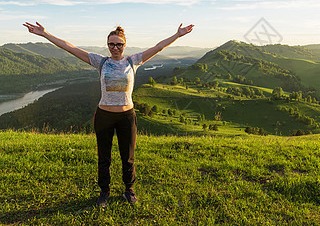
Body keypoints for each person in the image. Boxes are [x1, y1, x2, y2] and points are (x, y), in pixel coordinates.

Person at [23, 21, 194, 207]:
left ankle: (129, 190)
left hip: (127, 116)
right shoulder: (100, 61)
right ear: (107, 45)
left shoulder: (133, 61)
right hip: (104, 115)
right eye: (111, 44)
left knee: (127, 156)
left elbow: (158, 47)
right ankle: (104, 192)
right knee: (104, 157)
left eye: (119, 44)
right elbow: (69, 47)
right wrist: (45, 33)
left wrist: (178, 35)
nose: (115, 48)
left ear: (124, 45)